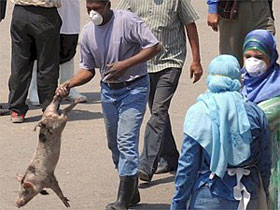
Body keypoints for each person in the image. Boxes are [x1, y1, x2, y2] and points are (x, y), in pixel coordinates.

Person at [56, 0, 161, 209]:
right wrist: (68, 84)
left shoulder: (127, 21)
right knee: (114, 145)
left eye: (97, 8)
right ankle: (132, 191)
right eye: (89, 8)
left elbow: (154, 46)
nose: (93, 12)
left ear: (108, 5)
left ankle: (122, 200)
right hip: (109, 92)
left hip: (134, 87)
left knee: (126, 142)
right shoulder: (87, 33)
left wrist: (126, 64)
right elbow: (88, 70)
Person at [117, 0, 203, 182]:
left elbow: (190, 25)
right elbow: (117, 20)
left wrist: (196, 60)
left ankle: (145, 165)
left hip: (171, 61)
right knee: (158, 112)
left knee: (158, 112)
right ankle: (171, 157)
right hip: (143, 64)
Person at [171, 55, 271, 210]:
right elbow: (265, 162)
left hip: (208, 196)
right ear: (238, 77)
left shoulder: (198, 112)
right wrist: (266, 194)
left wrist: (178, 203)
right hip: (247, 195)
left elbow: (187, 165)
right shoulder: (255, 113)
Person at [242, 29, 280, 209]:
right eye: (247, 56)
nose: (252, 62)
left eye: (259, 57)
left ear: (271, 57)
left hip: (273, 163)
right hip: (248, 166)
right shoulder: (241, 82)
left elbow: (252, 122)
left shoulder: (277, 90)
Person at [8, 0, 62, 123]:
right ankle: (49, 108)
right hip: (45, 13)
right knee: (47, 64)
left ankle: (16, 110)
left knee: (20, 63)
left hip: (20, 11)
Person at [28, 0, 87, 106]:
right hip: (44, 8)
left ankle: (68, 87)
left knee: (68, 48)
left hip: (69, 10)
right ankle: (35, 89)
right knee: (40, 51)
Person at [207, 0, 275, 65]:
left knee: (265, 57)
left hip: (261, 7)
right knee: (231, 61)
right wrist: (213, 7)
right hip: (233, 9)